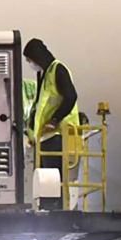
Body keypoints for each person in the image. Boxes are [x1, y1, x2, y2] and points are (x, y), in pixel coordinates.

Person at [23, 38, 81, 190]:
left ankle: (55, 208)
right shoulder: (45, 74)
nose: (30, 64)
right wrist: (31, 134)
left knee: (53, 182)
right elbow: (39, 108)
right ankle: (49, 206)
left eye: (30, 60)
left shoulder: (58, 70)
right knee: (47, 182)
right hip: (46, 137)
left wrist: (54, 120)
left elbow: (71, 96)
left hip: (59, 135)